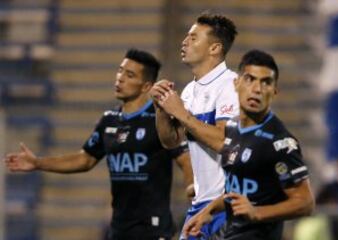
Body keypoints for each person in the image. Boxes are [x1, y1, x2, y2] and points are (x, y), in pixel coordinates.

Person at [4, 49, 193, 240]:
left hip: (154, 228)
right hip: (119, 228)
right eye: (120, 71)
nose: (120, 78)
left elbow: (185, 159)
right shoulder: (108, 120)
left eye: (130, 75)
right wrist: (38, 163)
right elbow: (85, 159)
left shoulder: (158, 119)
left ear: (146, 86)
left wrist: (194, 195)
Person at [183, 50, 315, 240]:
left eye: (266, 82)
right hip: (229, 231)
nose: (257, 89)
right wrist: (207, 211)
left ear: (274, 91)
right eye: (250, 79)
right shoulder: (232, 128)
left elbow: (305, 203)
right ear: (236, 84)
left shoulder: (280, 143)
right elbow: (236, 190)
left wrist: (257, 212)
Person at [150, 13, 239, 239]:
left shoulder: (231, 85)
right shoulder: (190, 90)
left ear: (214, 48)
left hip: (227, 204)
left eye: (193, 37)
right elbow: (170, 140)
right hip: (201, 203)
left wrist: (180, 112)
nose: (184, 41)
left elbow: (224, 142)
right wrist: (161, 108)